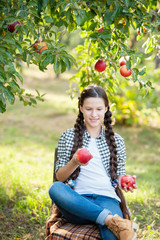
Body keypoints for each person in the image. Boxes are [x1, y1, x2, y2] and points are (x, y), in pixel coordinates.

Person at [49, 85, 138, 240]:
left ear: (105, 109)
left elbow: (119, 175)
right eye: (89, 109)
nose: (94, 114)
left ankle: (106, 219)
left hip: (107, 198)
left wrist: (124, 181)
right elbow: (60, 178)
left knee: (113, 236)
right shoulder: (68, 137)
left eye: (98, 109)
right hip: (77, 202)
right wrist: (75, 162)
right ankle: (110, 220)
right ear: (81, 108)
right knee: (56, 188)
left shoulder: (117, 141)